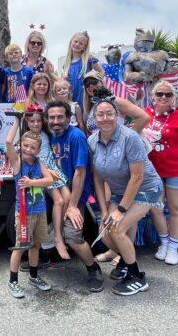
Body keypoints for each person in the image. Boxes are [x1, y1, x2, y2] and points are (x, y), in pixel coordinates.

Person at [89, 99, 163, 296]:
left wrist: (121, 210)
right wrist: (105, 209)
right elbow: (97, 177)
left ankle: (137, 276)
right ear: (94, 119)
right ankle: (124, 260)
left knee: (117, 228)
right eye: (100, 114)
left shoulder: (129, 138)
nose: (105, 118)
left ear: (118, 116)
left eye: (110, 114)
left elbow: (137, 177)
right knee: (105, 231)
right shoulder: (92, 141)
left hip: (145, 188)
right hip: (119, 191)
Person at [46, 100, 104, 293]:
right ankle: (43, 259)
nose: (56, 121)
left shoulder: (76, 136)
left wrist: (72, 206)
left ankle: (93, 267)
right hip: (56, 191)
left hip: (74, 195)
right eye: (52, 117)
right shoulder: (51, 137)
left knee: (72, 237)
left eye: (60, 117)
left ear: (68, 118)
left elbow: (80, 173)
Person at [145, 81, 178, 265]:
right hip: (153, 172)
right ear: (153, 96)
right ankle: (164, 242)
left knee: (176, 210)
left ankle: (173, 247)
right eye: (159, 93)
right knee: (156, 207)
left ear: (173, 97)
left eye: (168, 95)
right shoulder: (145, 115)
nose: (163, 97)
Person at [10, 108, 70, 259]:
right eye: (32, 121)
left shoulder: (45, 134)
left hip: (50, 166)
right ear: (27, 122)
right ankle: (57, 237)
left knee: (68, 197)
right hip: (43, 170)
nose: (36, 123)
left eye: (38, 120)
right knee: (59, 200)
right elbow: (26, 155)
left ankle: (58, 231)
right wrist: (48, 173)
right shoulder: (26, 138)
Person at [5, 128, 53, 299]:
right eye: (25, 146)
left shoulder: (39, 162)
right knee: (20, 247)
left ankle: (33, 276)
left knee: (36, 246)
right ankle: (13, 281)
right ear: (21, 146)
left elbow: (49, 180)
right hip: (24, 213)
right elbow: (9, 143)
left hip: (40, 211)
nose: (28, 150)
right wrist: (17, 120)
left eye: (33, 148)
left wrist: (32, 182)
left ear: (38, 150)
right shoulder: (17, 162)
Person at [83, 71, 150, 136]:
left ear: (102, 82)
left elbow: (144, 117)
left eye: (94, 82)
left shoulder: (114, 100)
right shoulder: (92, 106)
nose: (91, 85)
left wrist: (128, 138)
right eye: (87, 84)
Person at [61, 31, 103, 108]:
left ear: (84, 47)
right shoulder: (66, 63)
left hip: (85, 96)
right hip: (71, 97)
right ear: (71, 42)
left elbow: (101, 72)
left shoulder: (88, 59)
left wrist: (95, 82)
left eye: (81, 43)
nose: (77, 44)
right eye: (75, 41)